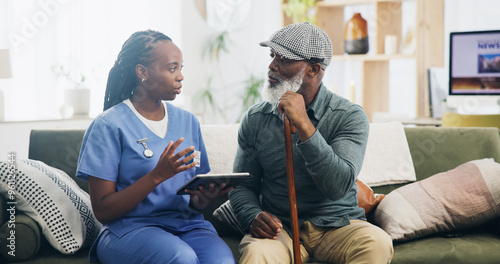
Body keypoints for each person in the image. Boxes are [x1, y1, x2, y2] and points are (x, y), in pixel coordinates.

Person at [229, 22, 394, 264]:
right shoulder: (255, 119)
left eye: (283, 59)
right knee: (257, 254)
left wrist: (305, 125)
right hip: (280, 229)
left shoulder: (348, 116)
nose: (271, 65)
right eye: (272, 55)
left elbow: (337, 186)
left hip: (339, 225)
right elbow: (243, 185)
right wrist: (252, 215)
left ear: (313, 69)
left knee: (377, 243)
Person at [76, 30, 235, 264]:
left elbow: (194, 198)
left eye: (181, 68)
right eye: (172, 69)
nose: (180, 76)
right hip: (129, 230)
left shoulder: (188, 121)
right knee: (182, 258)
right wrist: (157, 176)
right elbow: (103, 210)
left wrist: (204, 198)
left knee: (221, 261)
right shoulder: (109, 125)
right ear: (143, 73)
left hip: (187, 225)